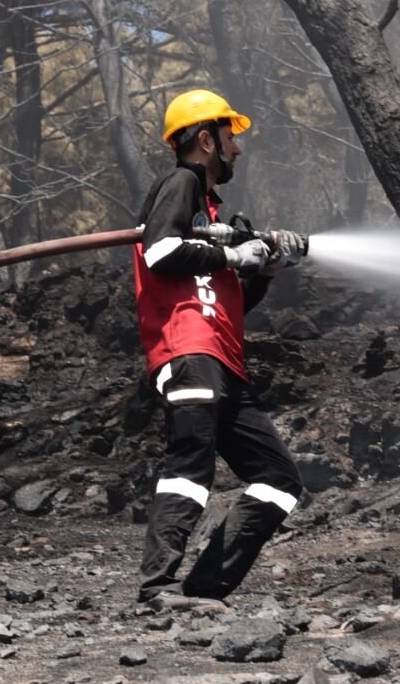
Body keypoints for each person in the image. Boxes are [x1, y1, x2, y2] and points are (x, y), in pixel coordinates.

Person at [131, 88, 311, 601]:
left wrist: (266, 267)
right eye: (231, 138)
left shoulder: (211, 219)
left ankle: (203, 590)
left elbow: (225, 301)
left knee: (278, 479)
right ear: (207, 140)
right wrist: (234, 256)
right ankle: (157, 586)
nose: (239, 150)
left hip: (224, 362)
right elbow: (161, 251)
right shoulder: (181, 182)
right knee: (190, 468)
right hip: (188, 354)